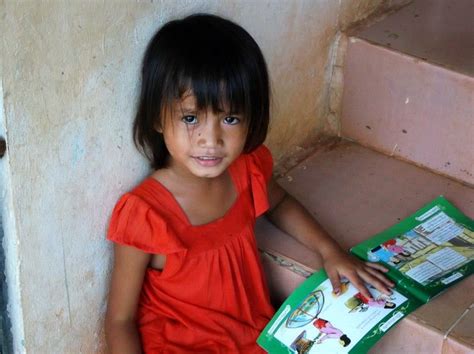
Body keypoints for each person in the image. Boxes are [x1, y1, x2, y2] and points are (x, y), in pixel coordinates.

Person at [104, 13, 394, 353]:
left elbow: (280, 203)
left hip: (251, 337)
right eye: (190, 118)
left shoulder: (246, 170)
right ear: (156, 117)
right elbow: (119, 321)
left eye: (229, 118)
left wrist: (330, 251)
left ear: (250, 117)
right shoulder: (147, 214)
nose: (210, 139)